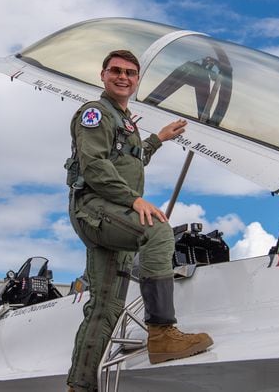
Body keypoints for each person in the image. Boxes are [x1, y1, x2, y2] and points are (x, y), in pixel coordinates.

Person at [66, 50, 213, 392]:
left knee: (105, 308)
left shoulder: (125, 121)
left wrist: (159, 138)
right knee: (158, 230)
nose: (123, 77)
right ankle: (162, 334)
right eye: (115, 71)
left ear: (136, 80)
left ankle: (79, 386)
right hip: (96, 208)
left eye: (130, 73)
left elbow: (132, 156)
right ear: (102, 75)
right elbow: (95, 166)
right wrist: (134, 200)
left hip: (110, 215)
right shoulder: (94, 114)